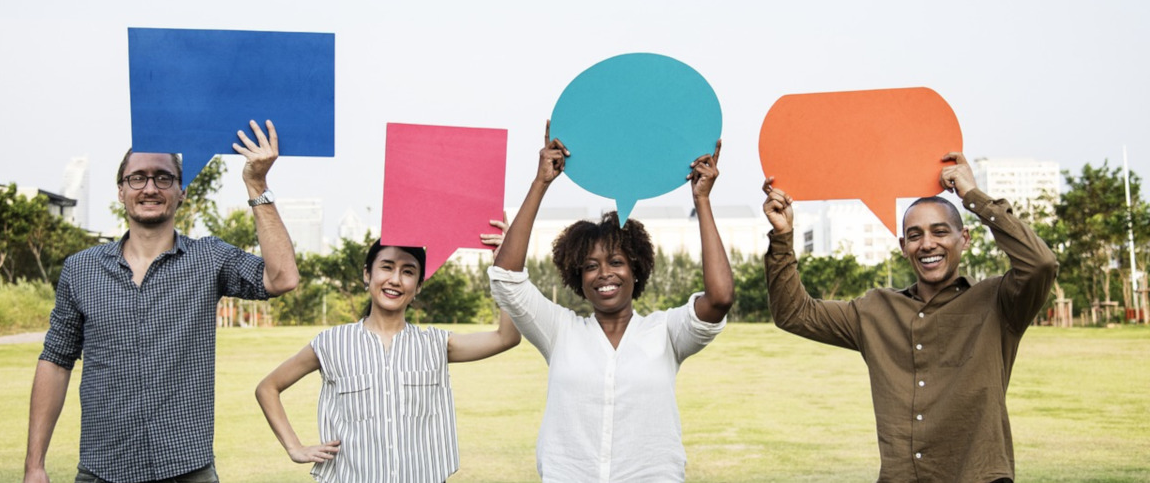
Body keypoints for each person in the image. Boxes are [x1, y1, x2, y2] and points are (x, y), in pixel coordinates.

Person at [24, 120, 300, 483]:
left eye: (163, 178)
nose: (150, 187)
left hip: (187, 468)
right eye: (137, 178)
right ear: (121, 191)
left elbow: (283, 277)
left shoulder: (209, 258)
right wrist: (35, 465)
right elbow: (56, 363)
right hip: (103, 468)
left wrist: (257, 184)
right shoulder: (81, 270)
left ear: (181, 191)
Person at [761, 152, 1058, 483]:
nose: (927, 244)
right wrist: (783, 236)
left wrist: (972, 196)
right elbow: (794, 313)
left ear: (965, 239)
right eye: (915, 235)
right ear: (904, 246)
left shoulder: (999, 303)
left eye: (940, 231)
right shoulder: (874, 311)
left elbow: (1040, 264)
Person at [489, 122, 734, 482]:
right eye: (590, 266)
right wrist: (541, 183)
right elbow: (507, 280)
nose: (604, 273)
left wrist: (701, 200)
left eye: (616, 262)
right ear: (578, 277)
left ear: (636, 270)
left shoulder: (665, 332)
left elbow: (720, 298)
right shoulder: (560, 331)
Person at [255, 225, 521, 483]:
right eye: (386, 267)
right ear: (367, 274)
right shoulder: (331, 343)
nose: (395, 279)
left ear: (418, 286)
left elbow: (506, 337)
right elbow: (268, 388)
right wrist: (294, 447)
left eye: (408, 271)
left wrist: (506, 264)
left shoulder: (436, 344)